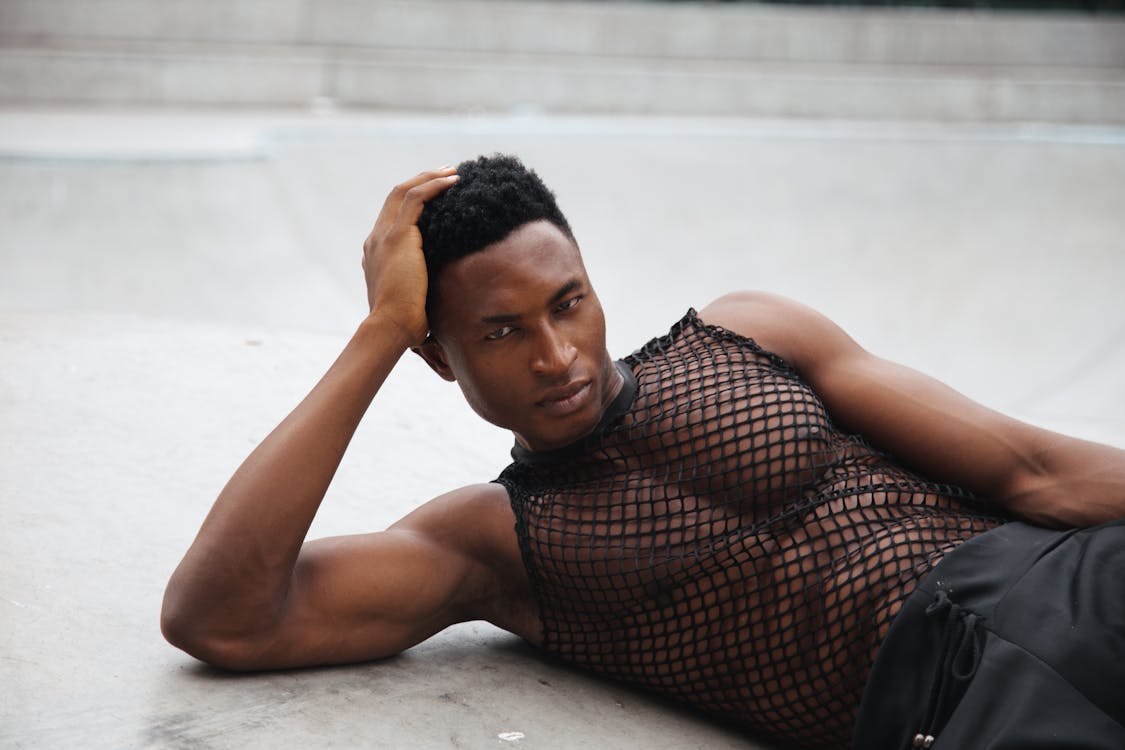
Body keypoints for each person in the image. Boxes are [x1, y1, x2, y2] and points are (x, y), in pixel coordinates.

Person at [161, 155, 1125, 749]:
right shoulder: (490, 546)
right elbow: (223, 618)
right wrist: (377, 332)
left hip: (1068, 581)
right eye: (499, 334)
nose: (555, 356)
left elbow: (1028, 469)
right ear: (437, 356)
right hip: (952, 710)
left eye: (567, 302)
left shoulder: (747, 332)